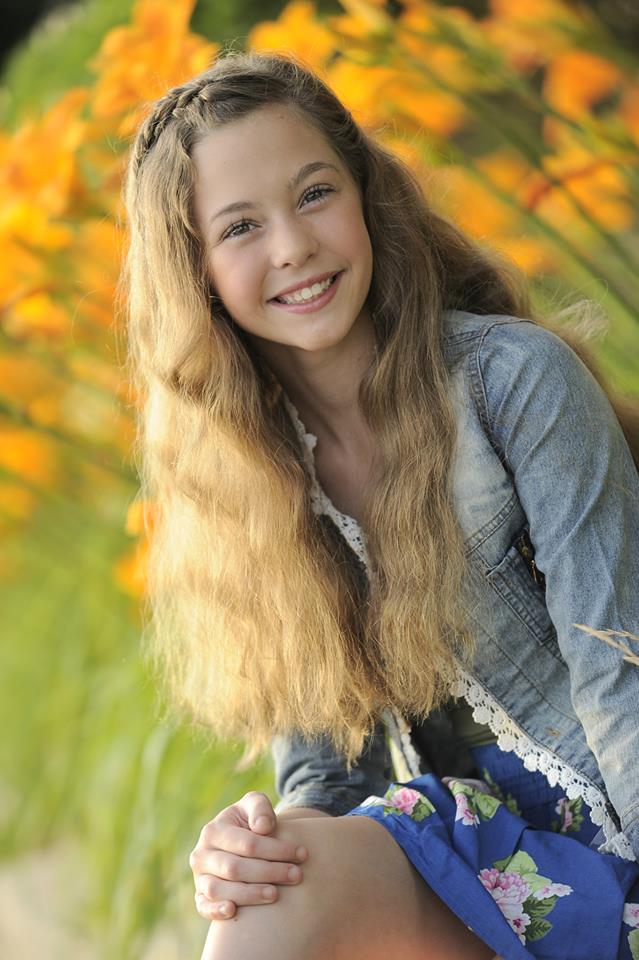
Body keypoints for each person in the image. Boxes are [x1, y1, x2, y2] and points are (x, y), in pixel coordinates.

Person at [123, 48, 639, 960]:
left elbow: (621, 678)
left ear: (366, 195)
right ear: (195, 272)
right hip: (491, 862)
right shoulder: (255, 487)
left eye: (314, 193)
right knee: (268, 892)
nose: (292, 245)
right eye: (240, 227)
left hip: (618, 828)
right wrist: (252, 846)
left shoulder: (510, 384)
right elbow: (328, 776)